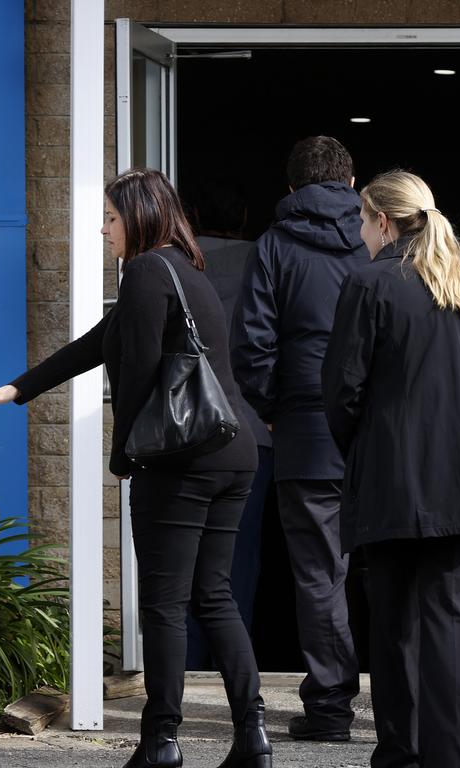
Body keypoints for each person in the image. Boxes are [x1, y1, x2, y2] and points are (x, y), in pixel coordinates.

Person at [0, 167, 271, 768]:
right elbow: (98, 343)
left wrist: (124, 453)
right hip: (233, 451)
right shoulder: (187, 269)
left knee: (164, 602)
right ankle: (252, 736)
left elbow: (142, 373)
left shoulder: (149, 270)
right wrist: (16, 389)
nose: (104, 230)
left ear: (139, 217)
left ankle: (161, 742)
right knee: (214, 595)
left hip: (183, 461)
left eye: (109, 218)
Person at [322, 170, 460, 768]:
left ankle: (401, 755)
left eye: (361, 221)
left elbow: (342, 393)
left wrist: (369, 451)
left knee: (394, 626)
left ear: (383, 220)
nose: (360, 233)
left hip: (392, 485)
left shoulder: (370, 283)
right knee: (453, 632)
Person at [230, 136, 366, 742]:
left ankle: (331, 710)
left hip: (307, 433)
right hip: (376, 436)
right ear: (351, 182)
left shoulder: (274, 247)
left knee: (319, 575)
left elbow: (251, 346)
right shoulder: (377, 241)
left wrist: (276, 411)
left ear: (290, 189)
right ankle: (413, 703)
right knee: (394, 570)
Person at [187, 179, 273, 669]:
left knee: (186, 557)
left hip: (193, 429)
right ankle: (235, 664)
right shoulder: (263, 259)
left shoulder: (184, 265)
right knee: (240, 557)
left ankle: (189, 664)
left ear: (193, 213)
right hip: (256, 431)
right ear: (244, 218)